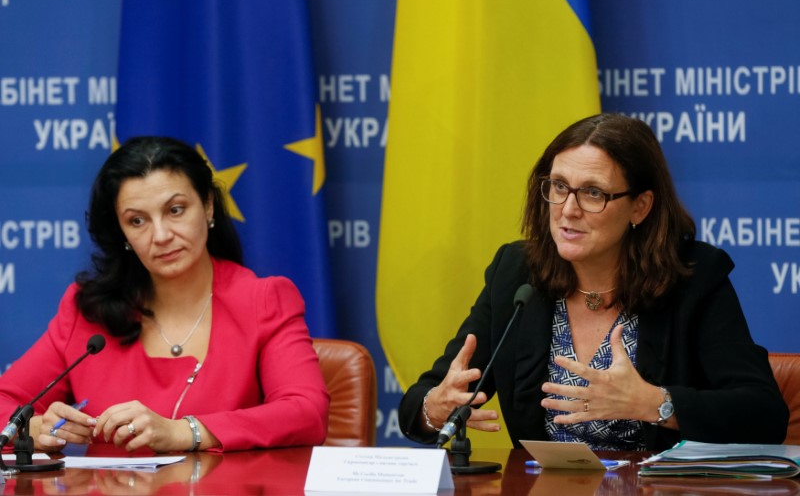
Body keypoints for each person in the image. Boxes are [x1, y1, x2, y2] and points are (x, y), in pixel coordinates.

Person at [399, 113, 788, 451]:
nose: (568, 210)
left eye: (592, 193)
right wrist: (435, 408)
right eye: (559, 186)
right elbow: (417, 405)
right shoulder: (517, 274)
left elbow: (764, 415)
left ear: (641, 206)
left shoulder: (694, 278)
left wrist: (655, 403)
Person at [0, 136, 329, 452]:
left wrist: (185, 431)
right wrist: (35, 428)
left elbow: (306, 412)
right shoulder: (87, 311)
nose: (161, 235)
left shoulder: (264, 300)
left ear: (208, 206)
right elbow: (5, 402)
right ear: (122, 233)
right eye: (138, 220)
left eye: (175, 210)